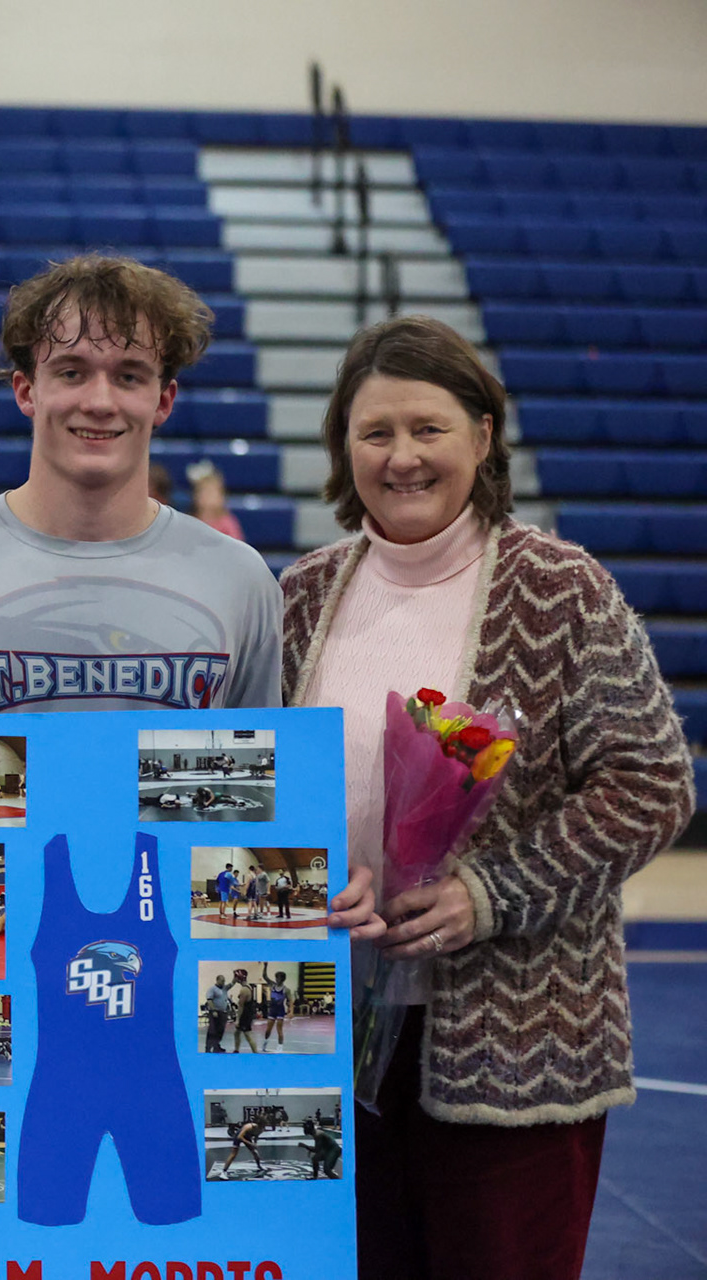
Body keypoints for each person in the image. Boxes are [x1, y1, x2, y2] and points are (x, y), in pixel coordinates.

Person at [0, 254, 382, 972]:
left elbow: (253, 805)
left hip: (170, 972)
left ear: (164, 400)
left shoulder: (238, 580)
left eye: (130, 375)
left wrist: (314, 886)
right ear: (27, 389)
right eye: (73, 371)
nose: (100, 400)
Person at [282, 315, 694, 1280]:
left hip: (517, 1048)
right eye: (375, 431)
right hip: (323, 1042)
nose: (402, 457)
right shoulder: (301, 595)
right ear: (344, 445)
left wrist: (490, 891)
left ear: (482, 434)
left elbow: (653, 784)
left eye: (429, 428)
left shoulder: (562, 591)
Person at [185, 459, 245, 541]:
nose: (207, 497)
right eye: (203, 492)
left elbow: (237, 548)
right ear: (195, 496)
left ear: (221, 496)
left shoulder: (228, 523)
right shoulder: (189, 521)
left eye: (211, 493)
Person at [230, 970, 262, 1054]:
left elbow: (241, 1005)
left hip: (245, 1015)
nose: (234, 979)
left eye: (235, 977)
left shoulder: (244, 989)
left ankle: (255, 1053)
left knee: (248, 1035)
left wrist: (237, 1019)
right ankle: (236, 1050)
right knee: (236, 1033)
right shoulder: (248, 986)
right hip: (247, 1013)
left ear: (239, 978)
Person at [202, 973, 233, 1053]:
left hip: (223, 1012)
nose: (223, 982)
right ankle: (208, 1048)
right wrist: (214, 1010)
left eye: (224, 981)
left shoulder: (224, 989)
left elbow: (232, 984)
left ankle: (216, 1046)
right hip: (215, 1013)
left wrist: (235, 977)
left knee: (220, 1030)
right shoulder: (212, 989)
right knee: (212, 1031)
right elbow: (209, 1000)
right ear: (217, 980)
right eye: (222, 981)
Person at [262, 969, 290, 1047]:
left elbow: (291, 1001)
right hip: (272, 1010)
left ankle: (280, 1047)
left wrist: (291, 1012)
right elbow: (265, 976)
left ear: (282, 979)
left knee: (279, 1030)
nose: (276, 979)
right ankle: (265, 1042)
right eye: (276, 977)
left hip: (280, 1010)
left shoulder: (286, 990)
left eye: (278, 978)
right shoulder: (272, 985)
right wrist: (265, 966)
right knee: (268, 1030)